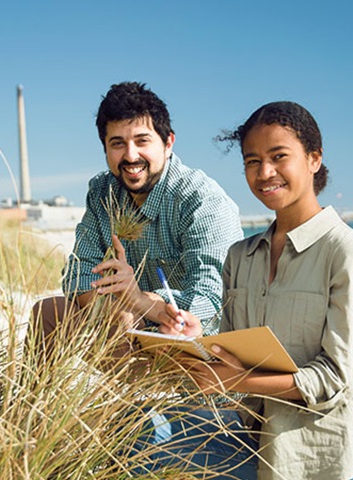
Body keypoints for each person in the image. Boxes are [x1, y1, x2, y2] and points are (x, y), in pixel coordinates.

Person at [155, 101, 353, 479]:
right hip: (255, 440)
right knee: (147, 429)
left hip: (331, 458)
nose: (265, 173)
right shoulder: (241, 256)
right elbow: (239, 354)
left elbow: (332, 379)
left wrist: (234, 380)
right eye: (252, 161)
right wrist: (197, 339)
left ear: (314, 159)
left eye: (279, 156)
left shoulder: (349, 254)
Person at [29, 81, 243, 355]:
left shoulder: (201, 198)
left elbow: (213, 304)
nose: (130, 156)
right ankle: (43, 399)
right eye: (117, 143)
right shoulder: (102, 192)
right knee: (48, 312)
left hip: (193, 341)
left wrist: (143, 302)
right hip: (129, 327)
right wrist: (120, 309)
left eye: (142, 141)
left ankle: (147, 397)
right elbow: (77, 277)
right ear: (105, 147)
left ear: (168, 143)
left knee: (139, 323)